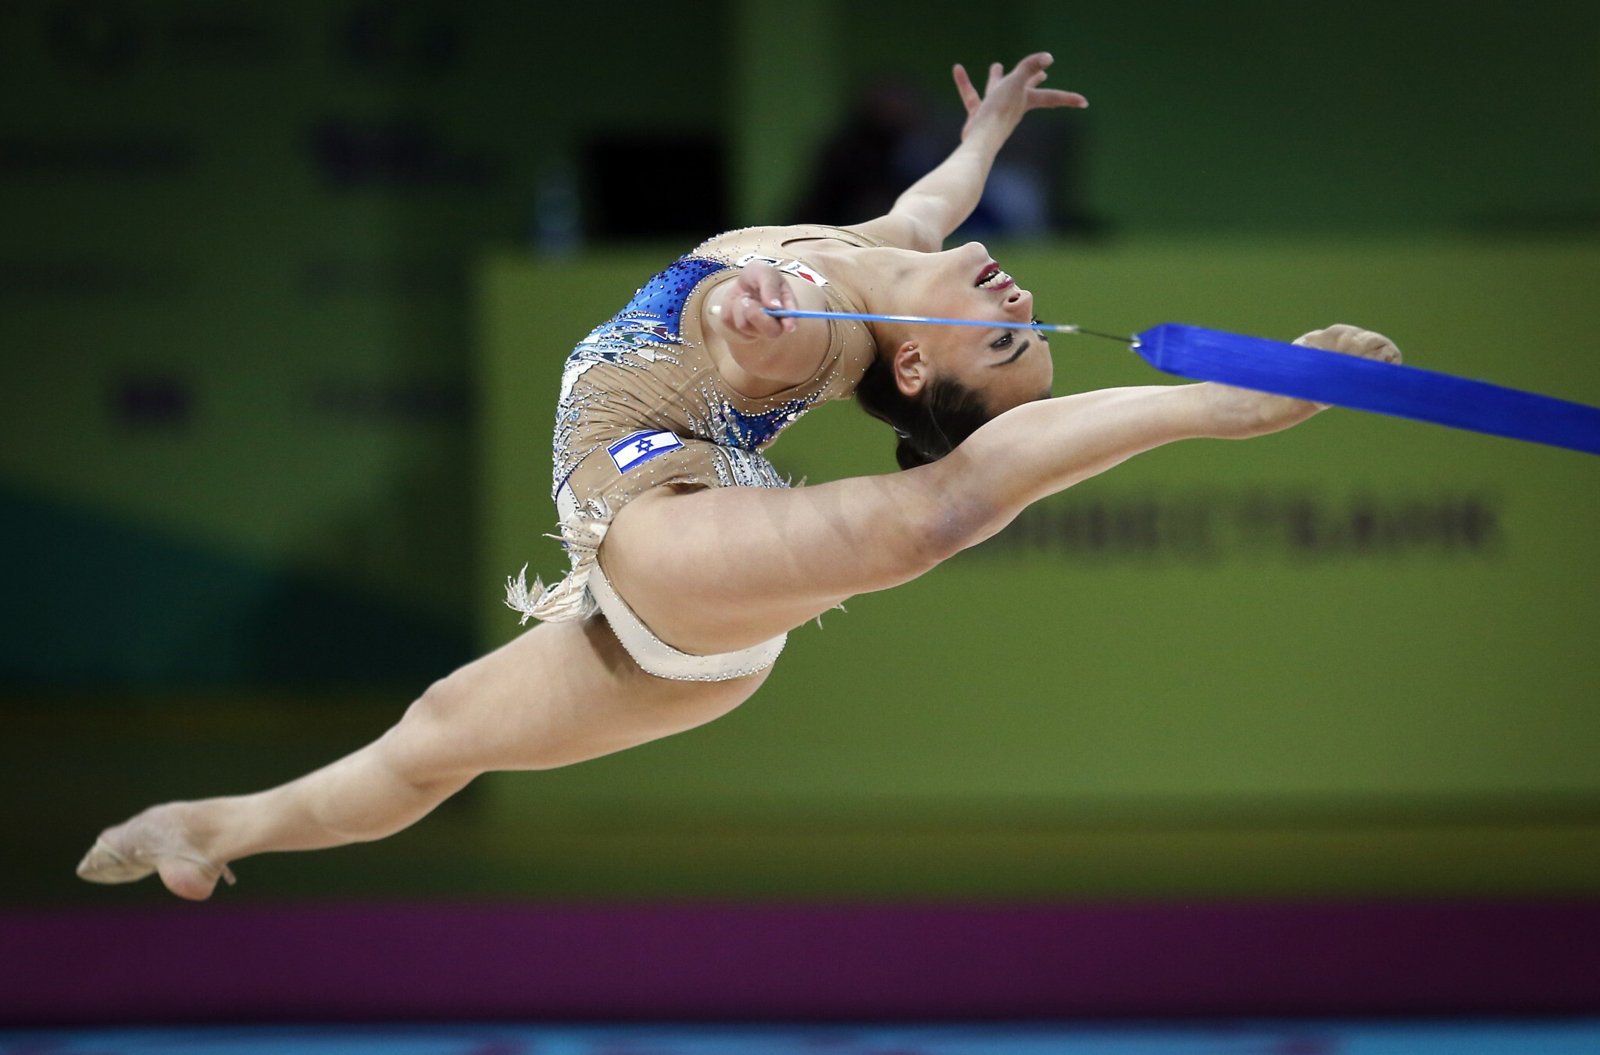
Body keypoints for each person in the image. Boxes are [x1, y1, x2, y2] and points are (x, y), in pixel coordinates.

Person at [78, 53, 1400, 900]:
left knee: (944, 512)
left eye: (1003, 339)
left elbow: (738, 339)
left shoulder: (803, 343)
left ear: (923, 377)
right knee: (430, 743)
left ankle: (1240, 401)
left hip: (676, 544)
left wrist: (745, 332)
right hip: (690, 625)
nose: (1025, 298)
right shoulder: (879, 253)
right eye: (1022, 324)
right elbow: (931, 209)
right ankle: (217, 827)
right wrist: (988, 132)